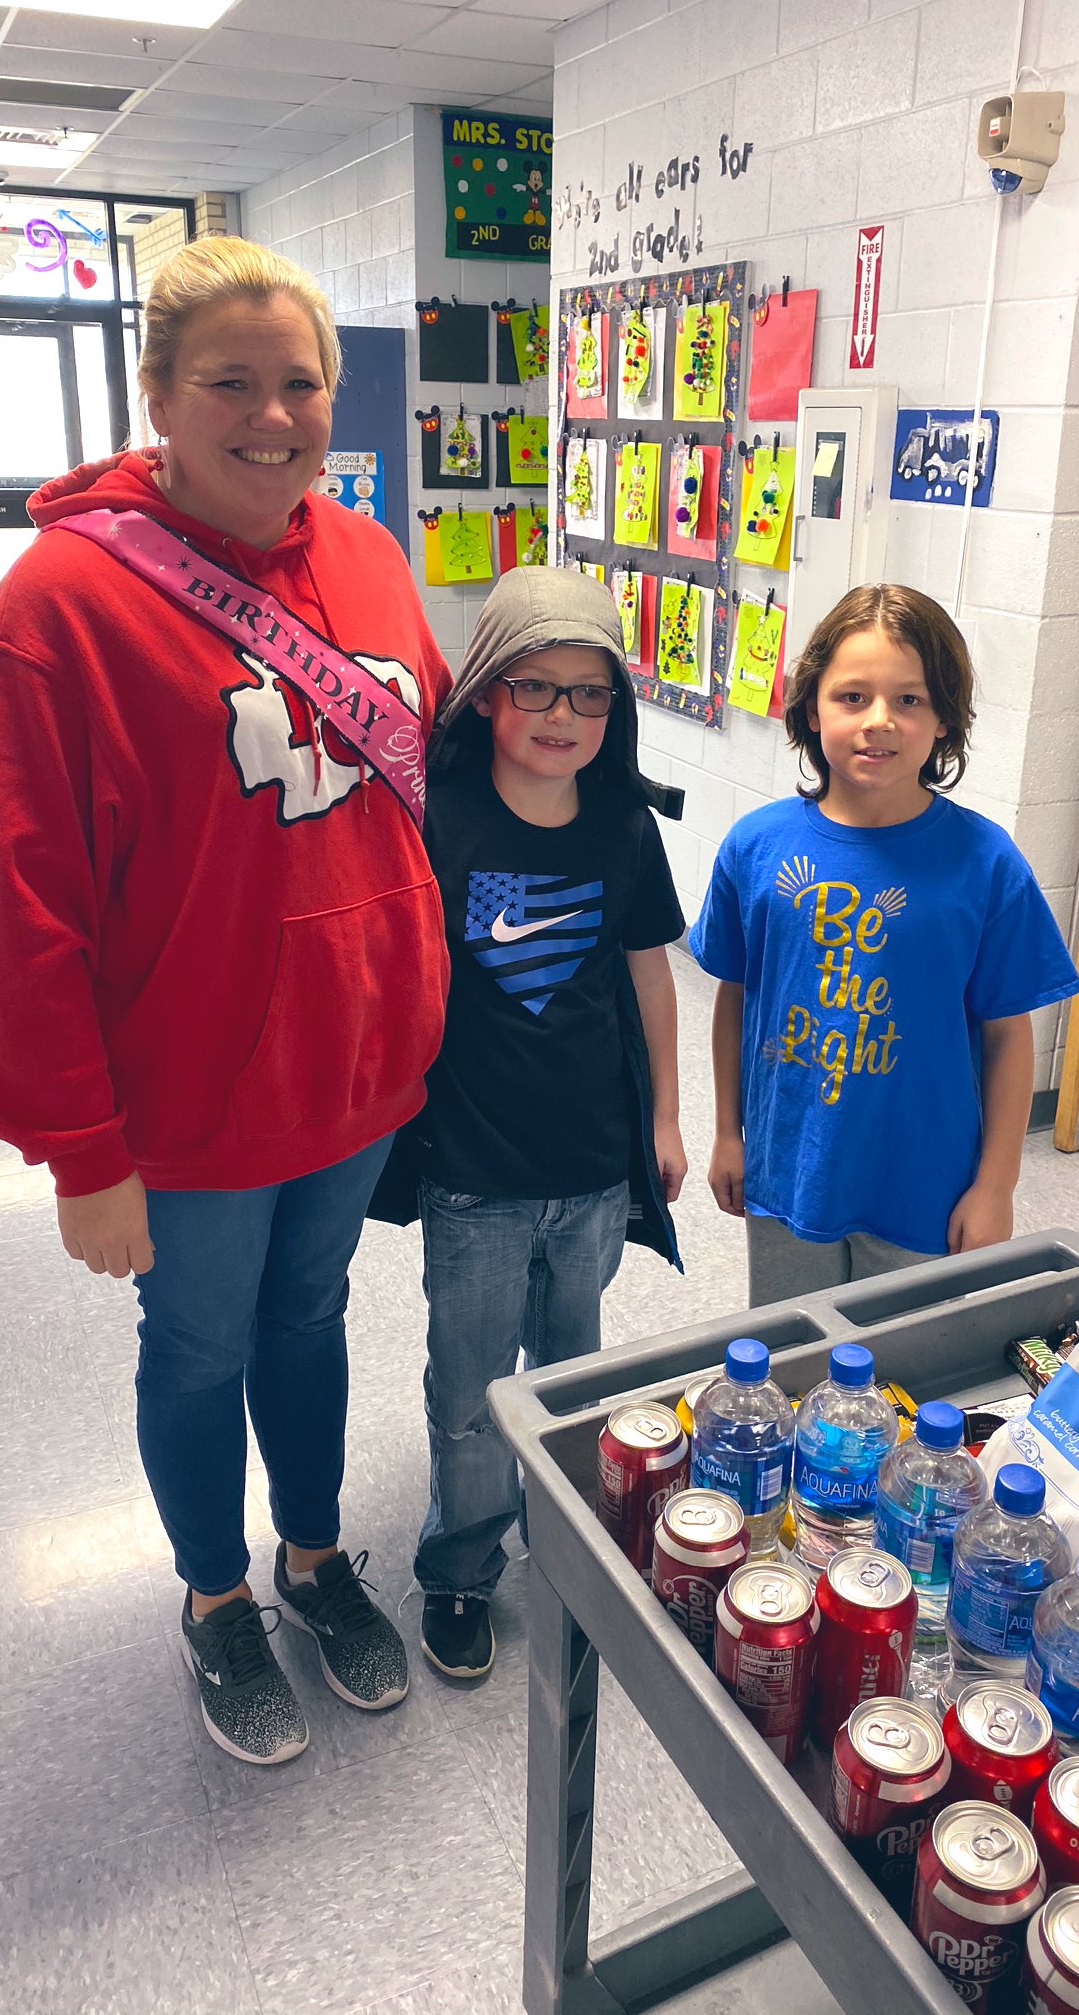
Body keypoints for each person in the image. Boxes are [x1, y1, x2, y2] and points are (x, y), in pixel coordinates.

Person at [0, 237, 452, 1766]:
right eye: (229, 382)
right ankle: (213, 1597)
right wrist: (82, 1152)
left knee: (310, 1320)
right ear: (158, 394)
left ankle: (312, 1560)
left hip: (356, 1071)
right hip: (187, 1094)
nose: (272, 414)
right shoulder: (62, 605)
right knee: (197, 1350)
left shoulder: (365, 555)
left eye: (297, 382)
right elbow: (19, 909)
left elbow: (426, 789)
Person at [371, 569, 686, 1680]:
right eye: (535, 688)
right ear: (486, 696)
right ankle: (459, 1564)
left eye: (590, 696)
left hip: (594, 1168)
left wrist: (669, 1117)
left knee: (572, 1375)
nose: (562, 717)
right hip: (473, 1177)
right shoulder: (436, 819)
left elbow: (650, 978)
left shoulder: (620, 826)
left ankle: (565, 1545)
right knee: (468, 1392)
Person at [690, 583, 1079, 1309]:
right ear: (811, 708)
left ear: (944, 721)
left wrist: (996, 1185)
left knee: (900, 1386)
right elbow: (736, 1000)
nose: (880, 722)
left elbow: (1006, 1038)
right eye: (853, 697)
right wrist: (726, 1132)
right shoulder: (756, 847)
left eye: (910, 699)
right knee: (788, 1369)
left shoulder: (985, 863)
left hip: (924, 1186)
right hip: (789, 1173)